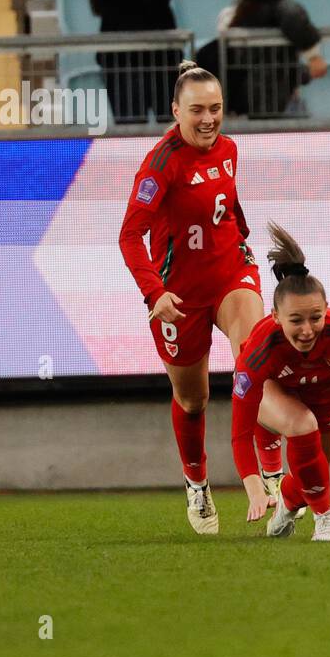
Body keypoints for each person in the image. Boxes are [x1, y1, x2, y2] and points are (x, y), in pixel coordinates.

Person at [118, 60, 268, 535]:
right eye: (198, 110)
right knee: (193, 399)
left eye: (217, 109)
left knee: (254, 359)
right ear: (175, 112)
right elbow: (129, 236)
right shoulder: (159, 166)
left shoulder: (229, 149)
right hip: (178, 297)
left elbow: (228, 203)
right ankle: (197, 482)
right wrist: (154, 292)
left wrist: (243, 240)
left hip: (230, 273)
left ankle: (274, 470)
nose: (209, 119)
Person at [230, 222, 330, 543]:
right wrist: (254, 488)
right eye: (295, 320)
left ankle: (288, 503)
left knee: (310, 476)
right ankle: (326, 518)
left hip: (323, 399)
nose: (307, 330)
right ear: (275, 317)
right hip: (274, 394)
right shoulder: (260, 348)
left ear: (327, 310)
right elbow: (240, 431)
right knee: (302, 424)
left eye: (315, 317)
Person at [193, 0, 326, 117]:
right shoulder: (236, 11)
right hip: (243, 94)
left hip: (262, 94)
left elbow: (294, 21)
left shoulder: (277, 8)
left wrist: (313, 56)